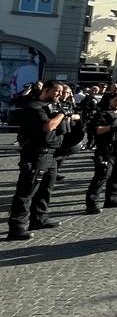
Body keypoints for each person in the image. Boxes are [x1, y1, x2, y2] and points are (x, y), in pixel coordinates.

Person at [7, 81, 67, 240]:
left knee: (46, 189)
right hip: (36, 154)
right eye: (57, 91)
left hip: (51, 154)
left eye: (62, 92)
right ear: (46, 90)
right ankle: (17, 227)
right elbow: (48, 127)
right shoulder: (34, 106)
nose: (60, 95)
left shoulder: (52, 106)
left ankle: (39, 218)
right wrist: (63, 114)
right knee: (27, 191)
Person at [86, 92, 117, 214]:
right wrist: (111, 127)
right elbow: (94, 130)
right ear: (110, 101)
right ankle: (92, 203)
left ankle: (111, 199)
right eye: (116, 100)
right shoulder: (102, 114)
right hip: (105, 150)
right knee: (102, 176)